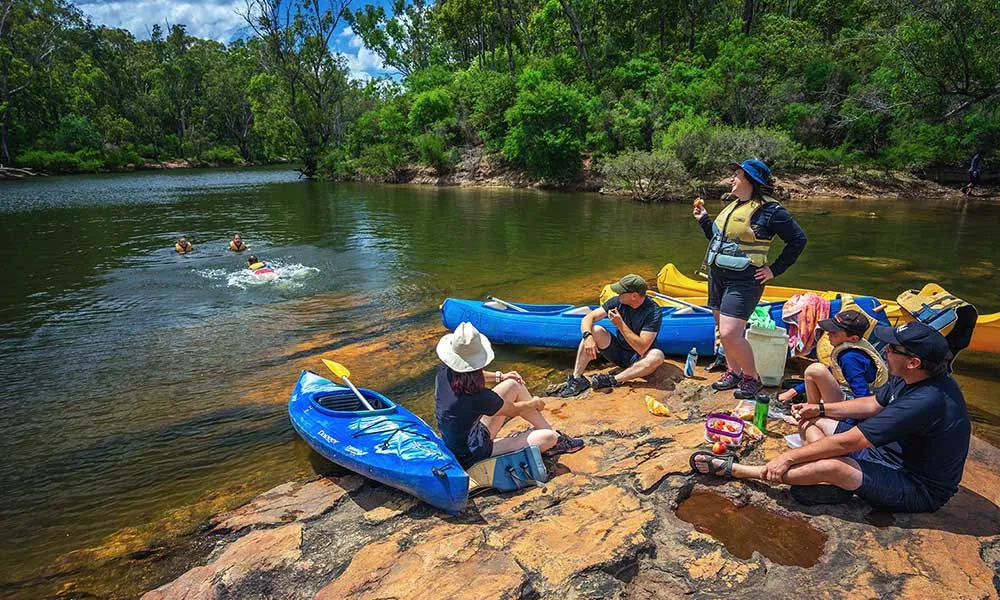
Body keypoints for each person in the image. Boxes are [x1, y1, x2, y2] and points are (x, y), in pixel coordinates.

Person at [691, 322, 970, 513]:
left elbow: (850, 442)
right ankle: (824, 479)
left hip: (915, 484)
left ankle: (737, 470)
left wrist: (788, 458)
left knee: (834, 466)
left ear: (914, 362)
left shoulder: (928, 399)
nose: (885, 350)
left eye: (892, 349)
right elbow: (872, 403)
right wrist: (820, 409)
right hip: (886, 456)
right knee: (811, 423)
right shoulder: (909, 377)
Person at [693, 159, 807, 398]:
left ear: (750, 180)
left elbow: (798, 240)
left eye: (736, 175)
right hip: (717, 276)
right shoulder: (733, 206)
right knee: (722, 329)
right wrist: (704, 220)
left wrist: (774, 270)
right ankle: (733, 372)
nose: (731, 179)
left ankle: (751, 376)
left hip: (744, 280)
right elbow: (719, 241)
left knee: (729, 333)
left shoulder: (771, 211)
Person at [434, 322, 584, 468]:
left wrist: (500, 376)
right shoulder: (477, 397)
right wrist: (535, 403)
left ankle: (556, 440)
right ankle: (554, 439)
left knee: (513, 384)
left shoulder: (445, 371)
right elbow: (515, 409)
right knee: (548, 438)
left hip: (468, 436)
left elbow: (468, 374)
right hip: (472, 454)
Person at [559, 274, 665, 397]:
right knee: (595, 330)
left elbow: (642, 348)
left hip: (639, 357)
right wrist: (587, 336)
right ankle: (577, 379)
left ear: (634, 296)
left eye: (621, 292)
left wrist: (620, 324)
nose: (618, 294)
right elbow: (588, 318)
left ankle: (613, 380)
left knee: (657, 356)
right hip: (619, 352)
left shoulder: (653, 312)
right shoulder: (618, 302)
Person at [776, 309, 887, 412]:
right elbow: (831, 372)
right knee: (816, 372)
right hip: (852, 395)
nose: (828, 333)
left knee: (814, 370)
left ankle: (811, 415)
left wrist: (824, 411)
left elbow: (863, 399)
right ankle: (808, 405)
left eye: (834, 332)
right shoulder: (851, 349)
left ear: (853, 339)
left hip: (858, 403)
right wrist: (793, 391)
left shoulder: (849, 359)